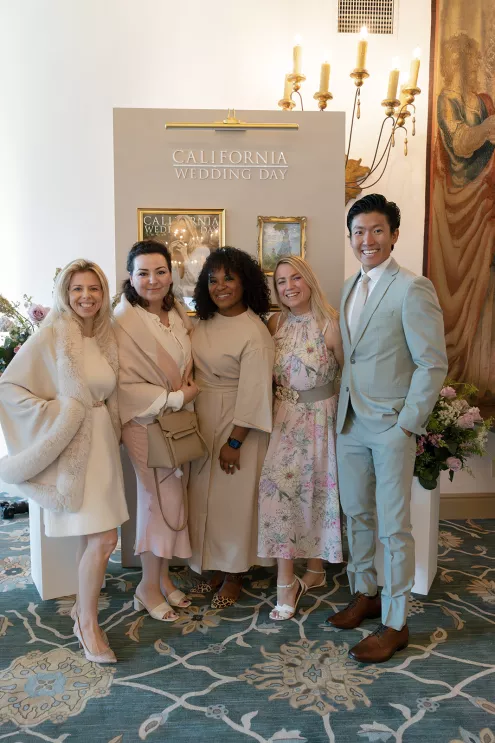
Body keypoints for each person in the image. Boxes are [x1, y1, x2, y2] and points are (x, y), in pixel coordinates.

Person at [327, 193, 448, 663]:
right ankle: (366, 593)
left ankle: (396, 623)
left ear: (394, 235)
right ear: (350, 237)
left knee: (394, 528)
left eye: (377, 230)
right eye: (359, 231)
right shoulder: (347, 287)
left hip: (391, 426)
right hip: (350, 421)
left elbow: (431, 363)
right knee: (356, 514)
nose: (367, 239)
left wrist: (407, 424)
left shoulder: (413, 288)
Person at [0, 259, 129, 663]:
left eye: (94, 288)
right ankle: (87, 624)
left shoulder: (104, 335)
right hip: (76, 449)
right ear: (64, 293)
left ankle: (80, 611)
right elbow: (9, 386)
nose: (86, 296)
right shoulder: (53, 334)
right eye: (77, 289)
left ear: (103, 293)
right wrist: (65, 412)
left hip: (103, 447)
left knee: (92, 538)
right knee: (104, 539)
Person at [115, 240, 199, 622]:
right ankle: (147, 587)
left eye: (160, 271)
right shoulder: (122, 321)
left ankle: (161, 579)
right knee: (159, 503)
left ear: (171, 273)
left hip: (175, 424)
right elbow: (123, 384)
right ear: (131, 277)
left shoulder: (176, 312)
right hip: (144, 421)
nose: (153, 280)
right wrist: (178, 397)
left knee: (173, 501)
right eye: (143, 272)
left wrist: (181, 399)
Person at [188, 247, 275, 608]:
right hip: (201, 418)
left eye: (229, 278)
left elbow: (256, 393)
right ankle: (214, 566)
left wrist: (235, 442)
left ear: (245, 283)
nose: (220, 286)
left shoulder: (254, 332)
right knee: (203, 500)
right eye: (213, 279)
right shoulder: (202, 322)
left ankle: (235, 573)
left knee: (233, 502)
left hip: (237, 425)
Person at [258, 256, 344, 621]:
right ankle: (285, 582)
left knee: (316, 495)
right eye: (281, 281)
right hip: (282, 419)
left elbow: (348, 377)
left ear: (309, 280)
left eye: (295, 278)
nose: (288, 286)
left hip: (320, 420)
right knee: (278, 497)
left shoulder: (331, 323)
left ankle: (315, 569)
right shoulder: (274, 323)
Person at [431, 32, 495, 405]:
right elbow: (460, 142)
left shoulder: (482, 101)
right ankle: (457, 371)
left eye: (469, 58)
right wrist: (487, 128)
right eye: (458, 59)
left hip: (484, 199)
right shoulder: (447, 100)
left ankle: (482, 368)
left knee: (484, 280)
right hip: (459, 199)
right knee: (461, 279)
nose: (465, 65)